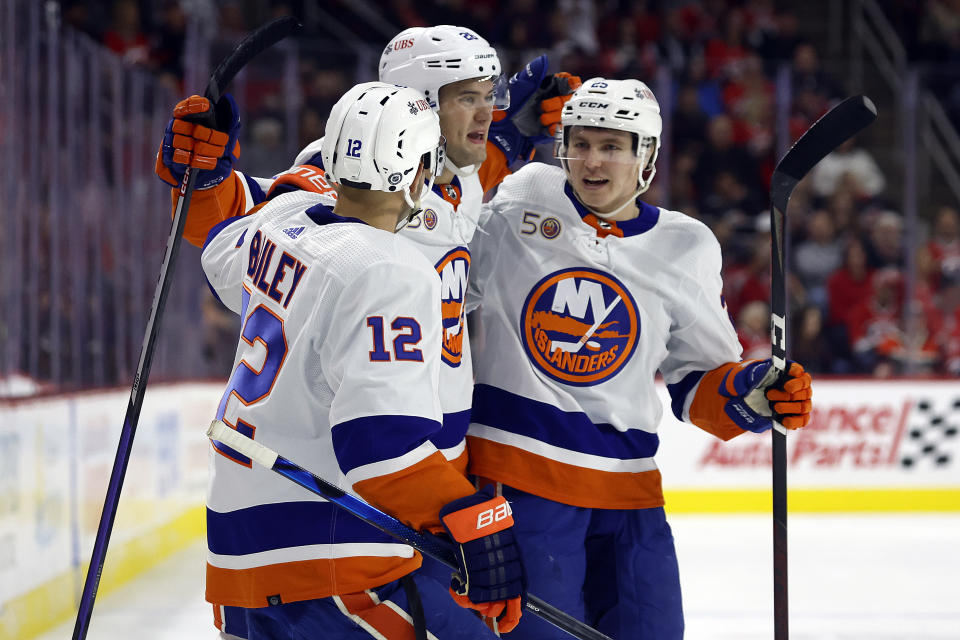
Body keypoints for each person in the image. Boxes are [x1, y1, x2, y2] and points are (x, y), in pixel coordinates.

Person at [464, 78, 814, 639]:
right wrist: (499, 143)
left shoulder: (686, 244)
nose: (591, 160)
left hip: (630, 491)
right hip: (522, 479)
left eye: (611, 146)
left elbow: (698, 381)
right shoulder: (525, 193)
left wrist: (751, 391)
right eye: (579, 143)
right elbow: (440, 241)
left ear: (644, 154)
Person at [200, 81, 525, 639]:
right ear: (418, 172)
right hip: (327, 553)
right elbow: (377, 446)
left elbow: (217, 248)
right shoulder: (389, 271)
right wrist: (473, 519)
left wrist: (208, 176)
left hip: (236, 551)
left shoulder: (281, 220)